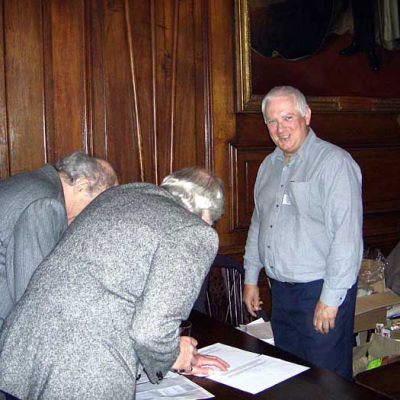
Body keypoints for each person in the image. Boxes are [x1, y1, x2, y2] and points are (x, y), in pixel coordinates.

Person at [0, 166, 229, 399]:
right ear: (203, 216)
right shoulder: (193, 230)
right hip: (83, 372)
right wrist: (173, 355)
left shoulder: (118, 196)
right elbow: (151, 333)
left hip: (22, 350)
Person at [243, 86, 363, 380]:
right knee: (292, 378)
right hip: (281, 294)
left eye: (288, 117)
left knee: (328, 384)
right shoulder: (267, 166)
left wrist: (331, 299)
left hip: (320, 292)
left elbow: (346, 238)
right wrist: (250, 278)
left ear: (306, 116)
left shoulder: (334, 163)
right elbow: (259, 223)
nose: (280, 128)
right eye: (272, 121)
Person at [0, 151, 118, 329]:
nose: (94, 216)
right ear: (82, 186)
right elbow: (34, 303)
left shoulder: (31, 183)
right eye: (97, 205)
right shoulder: (46, 205)